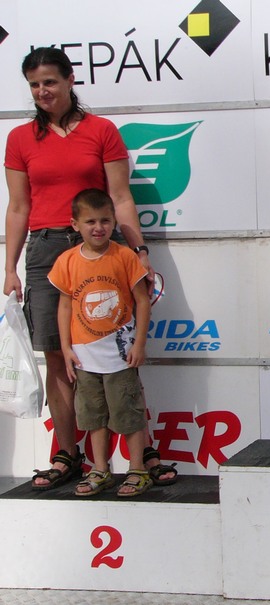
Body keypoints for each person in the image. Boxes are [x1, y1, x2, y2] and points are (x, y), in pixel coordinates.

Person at [3, 47, 177, 489]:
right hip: (46, 252)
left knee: (119, 353)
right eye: (34, 85)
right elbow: (19, 207)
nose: (42, 91)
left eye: (50, 82)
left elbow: (120, 198)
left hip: (102, 249)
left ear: (69, 81)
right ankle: (68, 454)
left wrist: (138, 250)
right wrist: (10, 267)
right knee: (57, 355)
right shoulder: (20, 139)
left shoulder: (102, 131)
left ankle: (142, 452)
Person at [48, 189, 151, 497]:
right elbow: (64, 306)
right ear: (75, 224)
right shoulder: (67, 261)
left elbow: (142, 301)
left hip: (120, 354)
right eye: (90, 221)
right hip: (84, 357)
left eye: (105, 220)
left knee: (128, 413)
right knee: (94, 416)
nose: (98, 227)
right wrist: (66, 348)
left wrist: (139, 343)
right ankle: (100, 469)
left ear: (114, 222)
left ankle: (138, 469)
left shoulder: (125, 256)